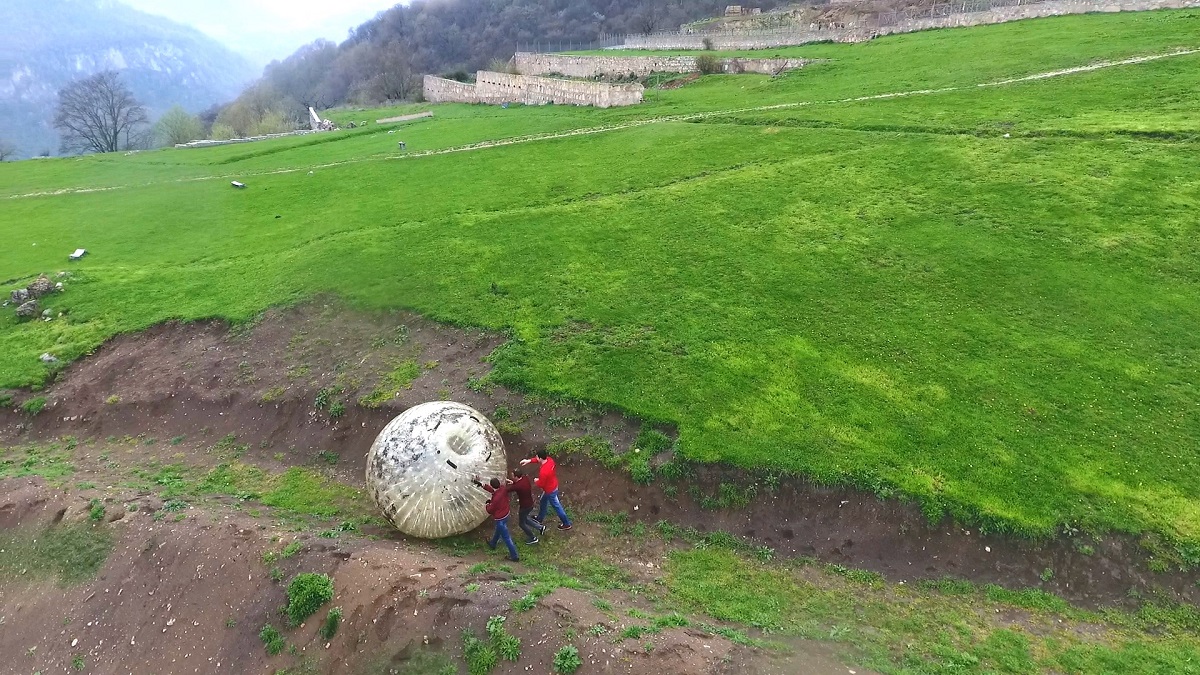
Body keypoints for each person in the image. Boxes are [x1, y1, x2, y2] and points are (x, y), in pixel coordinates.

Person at [520, 449, 572, 530]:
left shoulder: (544, 471)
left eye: (537, 457)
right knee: (543, 501)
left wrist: (536, 481)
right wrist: (529, 461)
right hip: (553, 485)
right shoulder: (550, 460)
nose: (536, 458)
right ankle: (540, 518)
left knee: (557, 506)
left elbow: (541, 484)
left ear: (540, 458)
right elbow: (539, 460)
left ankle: (566, 523)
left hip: (549, 490)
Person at [475, 477, 519, 562]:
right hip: (506, 514)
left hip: (500, 518)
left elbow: (490, 510)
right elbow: (493, 490)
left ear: (492, 485)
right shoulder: (502, 488)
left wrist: (487, 504)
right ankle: (493, 543)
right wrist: (482, 485)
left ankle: (514, 556)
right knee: (499, 530)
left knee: (506, 538)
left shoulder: (496, 499)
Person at [508, 468, 544, 544]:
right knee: (525, 519)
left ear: (516, 477)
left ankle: (533, 538)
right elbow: (517, 485)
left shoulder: (517, 486)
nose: (511, 477)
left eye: (512, 476)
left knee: (521, 523)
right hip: (530, 503)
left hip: (524, 506)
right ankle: (540, 528)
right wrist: (512, 482)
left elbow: (506, 490)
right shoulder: (524, 478)